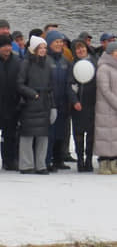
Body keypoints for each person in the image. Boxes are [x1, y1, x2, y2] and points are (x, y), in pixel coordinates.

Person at [16, 36, 52, 174]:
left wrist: (52, 105)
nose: (43, 50)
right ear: (34, 49)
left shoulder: (48, 64)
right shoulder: (26, 63)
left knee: (43, 135)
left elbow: (51, 86)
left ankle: (41, 165)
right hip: (30, 103)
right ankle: (26, 165)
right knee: (27, 135)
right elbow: (19, 84)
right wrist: (33, 94)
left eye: (44, 48)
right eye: (40, 48)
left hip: (44, 103)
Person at [0, 35, 22, 171]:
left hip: (13, 104)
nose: (7, 48)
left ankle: (9, 160)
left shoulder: (17, 61)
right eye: (4, 46)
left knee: (10, 135)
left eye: (9, 45)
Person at [44, 30, 78, 172]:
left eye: (60, 42)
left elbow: (70, 83)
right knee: (49, 133)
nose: (59, 44)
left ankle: (58, 159)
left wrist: (73, 100)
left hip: (63, 102)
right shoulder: (46, 59)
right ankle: (47, 159)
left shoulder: (65, 61)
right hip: (50, 102)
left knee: (61, 133)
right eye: (56, 42)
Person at [71, 38, 97, 172]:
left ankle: (89, 159)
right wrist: (74, 101)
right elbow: (69, 86)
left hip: (91, 104)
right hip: (77, 106)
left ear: (86, 49)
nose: (80, 50)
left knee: (91, 134)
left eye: (82, 48)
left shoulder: (94, 63)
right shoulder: (72, 65)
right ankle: (80, 159)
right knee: (78, 134)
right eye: (78, 49)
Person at [95, 41, 117, 174]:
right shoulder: (103, 68)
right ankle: (104, 163)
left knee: (114, 137)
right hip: (106, 109)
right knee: (105, 136)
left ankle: (114, 162)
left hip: (114, 108)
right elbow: (105, 90)